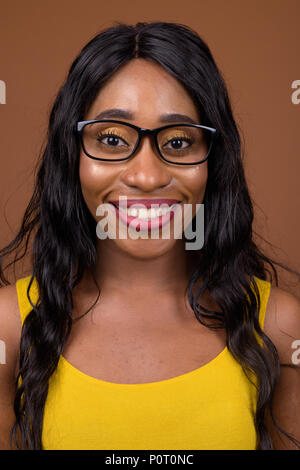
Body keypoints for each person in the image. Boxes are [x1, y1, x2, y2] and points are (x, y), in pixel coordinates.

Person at [0, 21, 299, 451]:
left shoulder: (280, 327)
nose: (146, 176)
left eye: (178, 142)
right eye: (111, 139)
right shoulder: (10, 328)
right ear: (72, 156)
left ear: (213, 162)